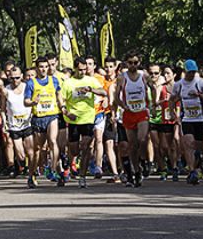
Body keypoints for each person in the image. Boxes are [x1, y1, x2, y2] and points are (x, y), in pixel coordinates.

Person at [59, 57, 107, 188]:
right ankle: (68, 163)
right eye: (80, 70)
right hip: (73, 119)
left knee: (86, 147)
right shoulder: (68, 83)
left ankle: (82, 176)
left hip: (88, 119)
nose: (82, 72)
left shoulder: (91, 80)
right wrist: (66, 112)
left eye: (84, 69)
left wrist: (92, 90)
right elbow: (61, 100)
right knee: (74, 151)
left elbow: (104, 92)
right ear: (75, 69)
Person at [169, 59, 203, 185]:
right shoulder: (179, 84)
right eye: (189, 72)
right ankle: (192, 171)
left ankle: (197, 165)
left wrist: (200, 95)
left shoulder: (201, 82)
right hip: (186, 119)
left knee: (198, 148)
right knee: (189, 144)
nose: (191, 74)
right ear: (184, 71)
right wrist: (174, 114)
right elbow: (171, 100)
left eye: (194, 72)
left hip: (200, 119)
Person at [115, 50, 154, 187]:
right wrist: (123, 105)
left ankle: (144, 160)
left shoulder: (144, 75)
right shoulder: (122, 77)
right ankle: (136, 171)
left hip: (142, 112)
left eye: (135, 62)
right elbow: (116, 97)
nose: (133, 65)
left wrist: (153, 104)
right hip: (129, 113)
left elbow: (153, 88)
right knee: (132, 145)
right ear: (126, 63)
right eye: (130, 63)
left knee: (142, 139)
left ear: (139, 63)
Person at [25, 56, 62, 185]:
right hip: (38, 118)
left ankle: (54, 169)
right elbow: (26, 101)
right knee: (38, 149)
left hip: (52, 116)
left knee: (52, 141)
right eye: (41, 67)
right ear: (37, 68)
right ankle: (32, 174)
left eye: (46, 67)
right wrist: (32, 102)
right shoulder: (31, 83)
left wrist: (63, 107)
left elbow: (59, 96)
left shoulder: (54, 81)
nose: (44, 69)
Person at [2, 66, 36, 188]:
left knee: (31, 152)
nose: (15, 80)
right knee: (21, 155)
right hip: (14, 125)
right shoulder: (6, 90)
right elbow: (2, 108)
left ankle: (31, 176)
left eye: (17, 78)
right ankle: (23, 165)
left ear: (22, 76)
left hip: (28, 123)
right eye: (12, 78)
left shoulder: (28, 87)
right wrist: (4, 123)